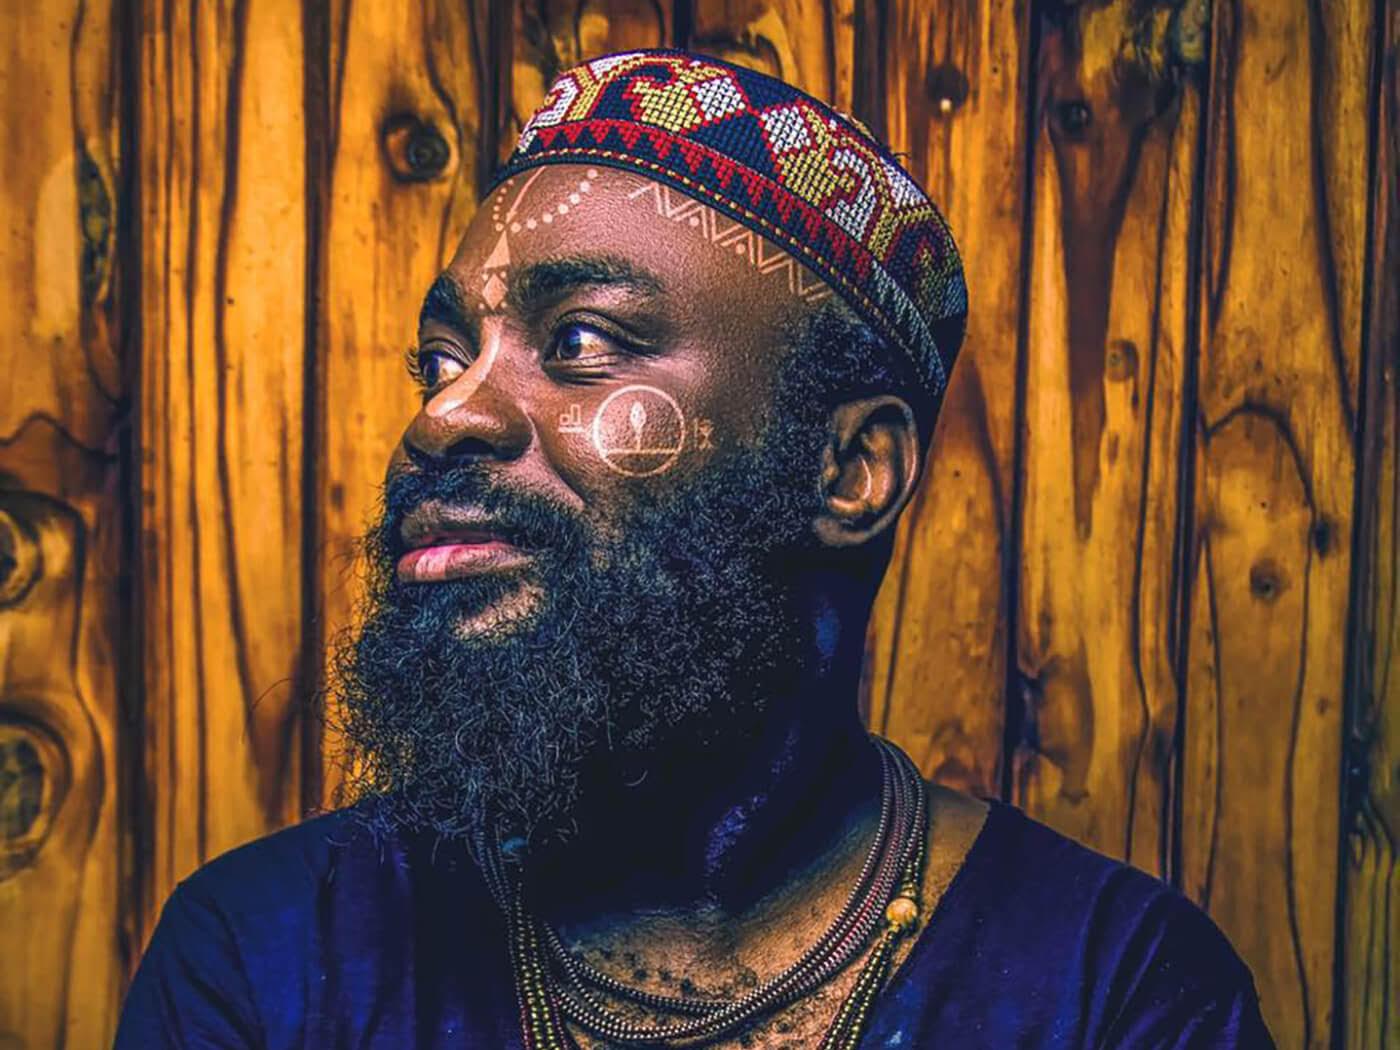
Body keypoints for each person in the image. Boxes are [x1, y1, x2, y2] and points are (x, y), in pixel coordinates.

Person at [115, 50, 1271, 1049]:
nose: (443, 415)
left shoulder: (1117, 994)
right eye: (440, 358)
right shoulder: (265, 958)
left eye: (580, 340)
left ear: (849, 470)